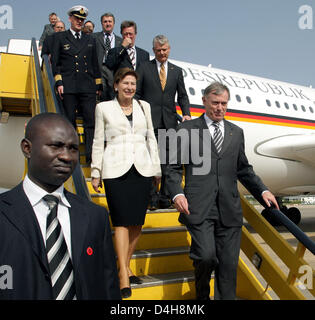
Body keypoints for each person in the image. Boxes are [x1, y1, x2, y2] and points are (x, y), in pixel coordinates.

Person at [166, 82, 279, 300]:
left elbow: (244, 169)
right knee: (206, 257)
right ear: (204, 101)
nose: (220, 108)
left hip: (229, 209)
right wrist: (177, 193)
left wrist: (262, 190)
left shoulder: (236, 133)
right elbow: (170, 167)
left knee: (228, 268)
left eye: (224, 103)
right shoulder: (184, 129)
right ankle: (201, 293)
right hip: (198, 208)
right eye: (215, 102)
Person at [0, 113, 121, 300]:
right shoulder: (4, 212)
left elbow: (108, 285)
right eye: (56, 146)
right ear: (27, 148)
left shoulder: (95, 216)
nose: (66, 156)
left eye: (73, 148)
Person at [91, 68, 161, 299]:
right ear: (116, 85)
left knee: (137, 223)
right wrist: (95, 171)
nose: (130, 87)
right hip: (115, 169)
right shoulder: (103, 108)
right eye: (125, 83)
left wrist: (156, 168)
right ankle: (123, 273)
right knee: (121, 221)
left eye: (133, 84)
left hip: (141, 168)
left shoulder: (144, 107)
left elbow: (151, 137)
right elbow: (98, 140)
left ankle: (125, 265)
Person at [135, 35, 191, 209]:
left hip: (170, 122)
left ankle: (166, 197)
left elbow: (182, 95)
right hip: (148, 122)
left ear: (169, 49)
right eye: (158, 50)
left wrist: (186, 114)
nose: (162, 53)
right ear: (154, 51)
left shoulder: (176, 71)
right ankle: (151, 198)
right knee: (150, 160)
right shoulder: (144, 68)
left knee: (169, 162)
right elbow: (136, 93)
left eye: (164, 50)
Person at [51, 5, 102, 164]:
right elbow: (56, 63)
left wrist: (98, 85)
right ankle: (71, 153)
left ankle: (90, 155)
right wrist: (59, 81)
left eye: (82, 19)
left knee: (90, 121)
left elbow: (95, 64)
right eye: (77, 19)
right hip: (69, 85)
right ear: (70, 19)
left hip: (87, 85)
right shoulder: (61, 38)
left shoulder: (90, 39)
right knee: (69, 120)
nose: (79, 22)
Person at [94, 13, 122, 102]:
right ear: (101, 23)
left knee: (113, 96)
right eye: (105, 21)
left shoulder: (120, 41)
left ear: (114, 23)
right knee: (102, 97)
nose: (108, 24)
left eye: (110, 21)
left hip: (114, 72)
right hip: (99, 70)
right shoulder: (94, 37)